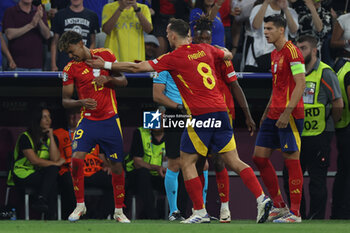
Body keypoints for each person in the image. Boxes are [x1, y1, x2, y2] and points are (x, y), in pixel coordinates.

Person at [87, 18, 272, 224]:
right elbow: (227, 53)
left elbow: (136, 68)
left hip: (201, 115)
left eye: (167, 33)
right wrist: (226, 51)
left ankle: (199, 212)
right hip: (221, 111)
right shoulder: (206, 48)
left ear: (173, 35)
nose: (166, 36)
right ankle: (261, 198)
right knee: (234, 161)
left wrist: (105, 64)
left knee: (186, 161)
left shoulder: (172, 57)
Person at [58, 30, 130, 223]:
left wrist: (110, 80)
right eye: (68, 54)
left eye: (72, 51)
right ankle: (80, 205)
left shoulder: (106, 55)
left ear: (81, 43)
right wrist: (81, 103)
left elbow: (124, 81)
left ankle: (118, 211)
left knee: (116, 167)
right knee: (76, 159)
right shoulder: (69, 69)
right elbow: (65, 101)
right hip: (88, 121)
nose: (71, 56)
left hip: (110, 120)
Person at [191, 15, 257, 223]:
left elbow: (235, 85)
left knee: (220, 161)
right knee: (199, 162)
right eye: (201, 38)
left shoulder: (220, 55)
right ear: (194, 38)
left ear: (212, 39)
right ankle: (199, 210)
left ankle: (225, 209)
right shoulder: (189, 55)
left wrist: (247, 114)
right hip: (200, 113)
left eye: (207, 38)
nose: (205, 42)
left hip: (222, 111)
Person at [252, 14, 306, 223]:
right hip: (273, 114)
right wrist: (267, 110)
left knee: (291, 161)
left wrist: (286, 113)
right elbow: (278, 87)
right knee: (259, 157)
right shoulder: (275, 54)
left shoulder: (293, 52)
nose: (265, 32)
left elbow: (300, 84)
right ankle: (280, 206)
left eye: (269, 28)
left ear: (281, 30)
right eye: (264, 28)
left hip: (289, 116)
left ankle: (295, 213)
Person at [283, 35, 343, 219]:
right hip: (297, 135)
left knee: (317, 182)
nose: (299, 52)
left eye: (304, 48)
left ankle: (315, 219)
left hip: (319, 136)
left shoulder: (325, 72)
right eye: (297, 48)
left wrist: (329, 127)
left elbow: (338, 103)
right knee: (290, 179)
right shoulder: (294, 72)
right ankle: (297, 214)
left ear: (314, 50)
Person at [7, 107, 65, 219]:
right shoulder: (25, 137)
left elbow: (54, 158)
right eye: (44, 117)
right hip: (22, 174)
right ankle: (50, 216)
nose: (48, 120)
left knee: (53, 176)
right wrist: (56, 164)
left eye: (49, 117)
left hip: (37, 173)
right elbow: (34, 161)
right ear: (37, 119)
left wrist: (51, 137)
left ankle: (41, 201)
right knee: (53, 177)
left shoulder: (50, 138)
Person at [245, 0, 298, 72]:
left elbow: (294, 30)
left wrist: (285, 9)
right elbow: (255, 26)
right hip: (256, 59)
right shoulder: (258, 8)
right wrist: (266, 3)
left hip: (279, 60)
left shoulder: (290, 12)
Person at [125, 126, 167, 219]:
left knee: (179, 176)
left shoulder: (174, 134)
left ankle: (179, 215)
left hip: (162, 176)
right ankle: (152, 217)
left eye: (162, 119)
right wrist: (157, 168)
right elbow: (137, 162)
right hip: (138, 176)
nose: (159, 122)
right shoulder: (140, 132)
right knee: (143, 173)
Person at [51, 0, 100, 71]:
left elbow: (93, 42)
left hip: (84, 64)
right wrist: (53, 65)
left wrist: (88, 60)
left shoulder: (92, 16)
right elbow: (54, 43)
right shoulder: (60, 15)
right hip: (64, 63)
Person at [2, 0, 51, 71]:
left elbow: (47, 35)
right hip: (16, 65)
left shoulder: (39, 11)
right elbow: (9, 35)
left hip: (37, 65)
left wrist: (39, 19)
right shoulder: (10, 11)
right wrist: (31, 25)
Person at [331, 60, 350, 219]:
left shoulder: (342, 67)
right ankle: (344, 213)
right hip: (348, 128)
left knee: (343, 173)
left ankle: (338, 213)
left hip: (343, 127)